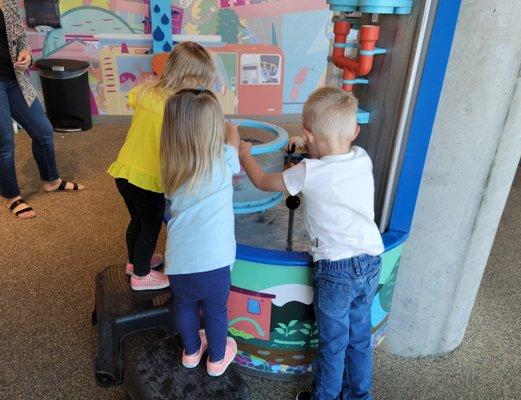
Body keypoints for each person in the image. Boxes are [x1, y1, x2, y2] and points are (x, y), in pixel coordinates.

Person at [239, 87, 385, 400]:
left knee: (333, 347)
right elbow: (330, 149)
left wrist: (245, 155)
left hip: (336, 271)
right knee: (358, 337)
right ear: (355, 131)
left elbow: (263, 183)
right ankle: (360, 396)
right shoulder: (361, 158)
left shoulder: (308, 172)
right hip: (371, 260)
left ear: (308, 133)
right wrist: (309, 142)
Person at [107, 42, 216, 291]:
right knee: (151, 225)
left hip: (124, 172)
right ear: (184, 76)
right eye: (197, 81)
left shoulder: (146, 91)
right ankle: (141, 276)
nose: (199, 87)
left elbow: (132, 99)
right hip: (147, 179)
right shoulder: (175, 108)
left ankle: (134, 263)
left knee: (136, 219)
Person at [160, 89, 240, 377]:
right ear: (214, 129)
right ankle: (217, 359)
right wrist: (232, 131)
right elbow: (235, 146)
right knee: (216, 310)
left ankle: (191, 352)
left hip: (179, 262)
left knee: (186, 307)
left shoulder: (172, 166)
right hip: (215, 262)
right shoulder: (224, 157)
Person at [0, 0, 84, 220]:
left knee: (43, 130)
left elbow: (18, 38)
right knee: (5, 143)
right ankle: (12, 196)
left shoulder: (6, 2)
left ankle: (51, 180)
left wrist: (26, 54)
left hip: (14, 80)